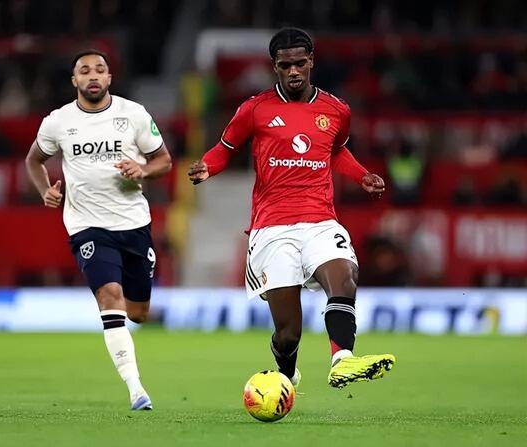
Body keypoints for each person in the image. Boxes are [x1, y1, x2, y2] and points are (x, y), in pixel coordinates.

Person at [188, 28, 395, 389]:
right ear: (275, 67)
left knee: (344, 275)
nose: (294, 71)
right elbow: (225, 148)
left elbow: (336, 150)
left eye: (300, 63)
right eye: (286, 66)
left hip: (320, 220)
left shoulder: (336, 110)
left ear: (311, 61)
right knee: (287, 334)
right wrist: (208, 166)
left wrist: (362, 176)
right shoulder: (255, 109)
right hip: (272, 226)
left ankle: (342, 359)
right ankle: (286, 372)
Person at [25, 49, 172, 410]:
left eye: (99, 70)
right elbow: (34, 159)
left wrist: (142, 169)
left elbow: (164, 161)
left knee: (137, 312)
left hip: (133, 224)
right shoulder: (58, 121)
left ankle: (133, 371)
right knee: (109, 295)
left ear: (109, 78)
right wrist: (44, 190)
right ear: (74, 80)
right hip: (87, 226)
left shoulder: (133, 114)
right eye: (85, 71)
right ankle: (136, 389)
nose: (93, 76)